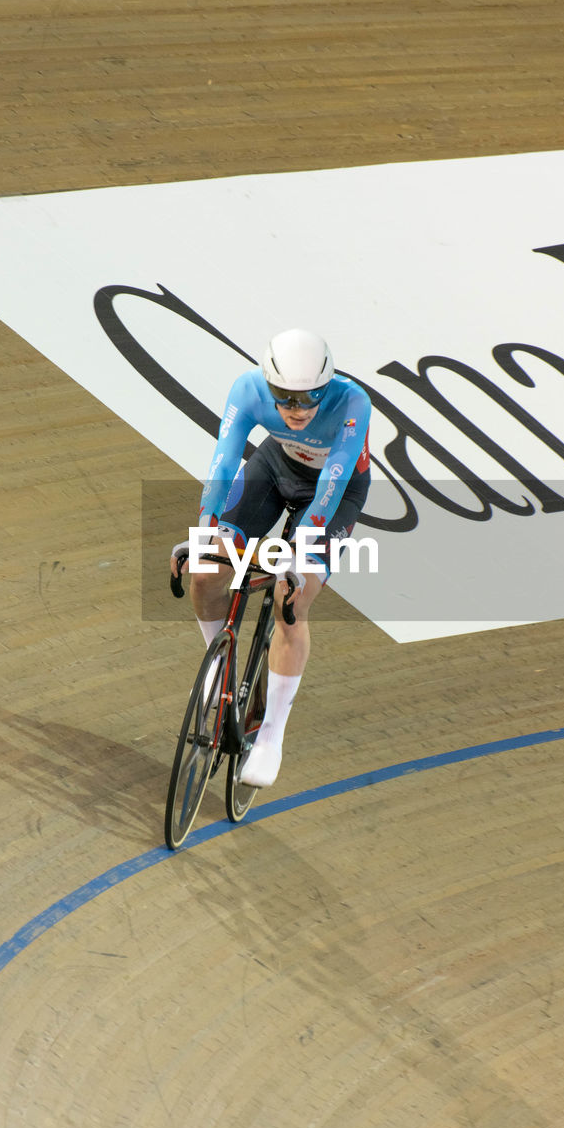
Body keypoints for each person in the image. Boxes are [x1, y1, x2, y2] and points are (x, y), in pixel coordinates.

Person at [171, 328, 371, 788]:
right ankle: (217, 664)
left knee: (290, 598)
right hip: (274, 466)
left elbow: (332, 483)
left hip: (334, 493)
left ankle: (271, 735)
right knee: (206, 572)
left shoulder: (353, 402)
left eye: (310, 398)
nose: (298, 410)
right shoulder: (247, 389)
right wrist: (206, 526)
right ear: (267, 384)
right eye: (286, 398)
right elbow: (223, 461)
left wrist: (299, 551)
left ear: (329, 385)